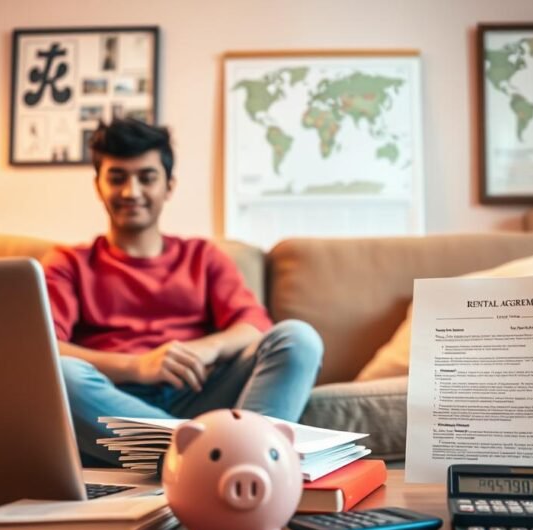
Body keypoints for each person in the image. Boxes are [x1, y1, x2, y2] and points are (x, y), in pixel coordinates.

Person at [43, 118, 323, 466]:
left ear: (169, 185)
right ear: (98, 186)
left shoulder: (202, 257)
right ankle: (227, 459)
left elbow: (254, 323)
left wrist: (207, 348)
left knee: (299, 338)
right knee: (65, 376)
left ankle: (215, 456)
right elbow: (45, 349)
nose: (131, 192)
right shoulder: (68, 263)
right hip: (112, 398)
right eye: (117, 178)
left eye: (146, 177)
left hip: (199, 394)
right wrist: (137, 366)